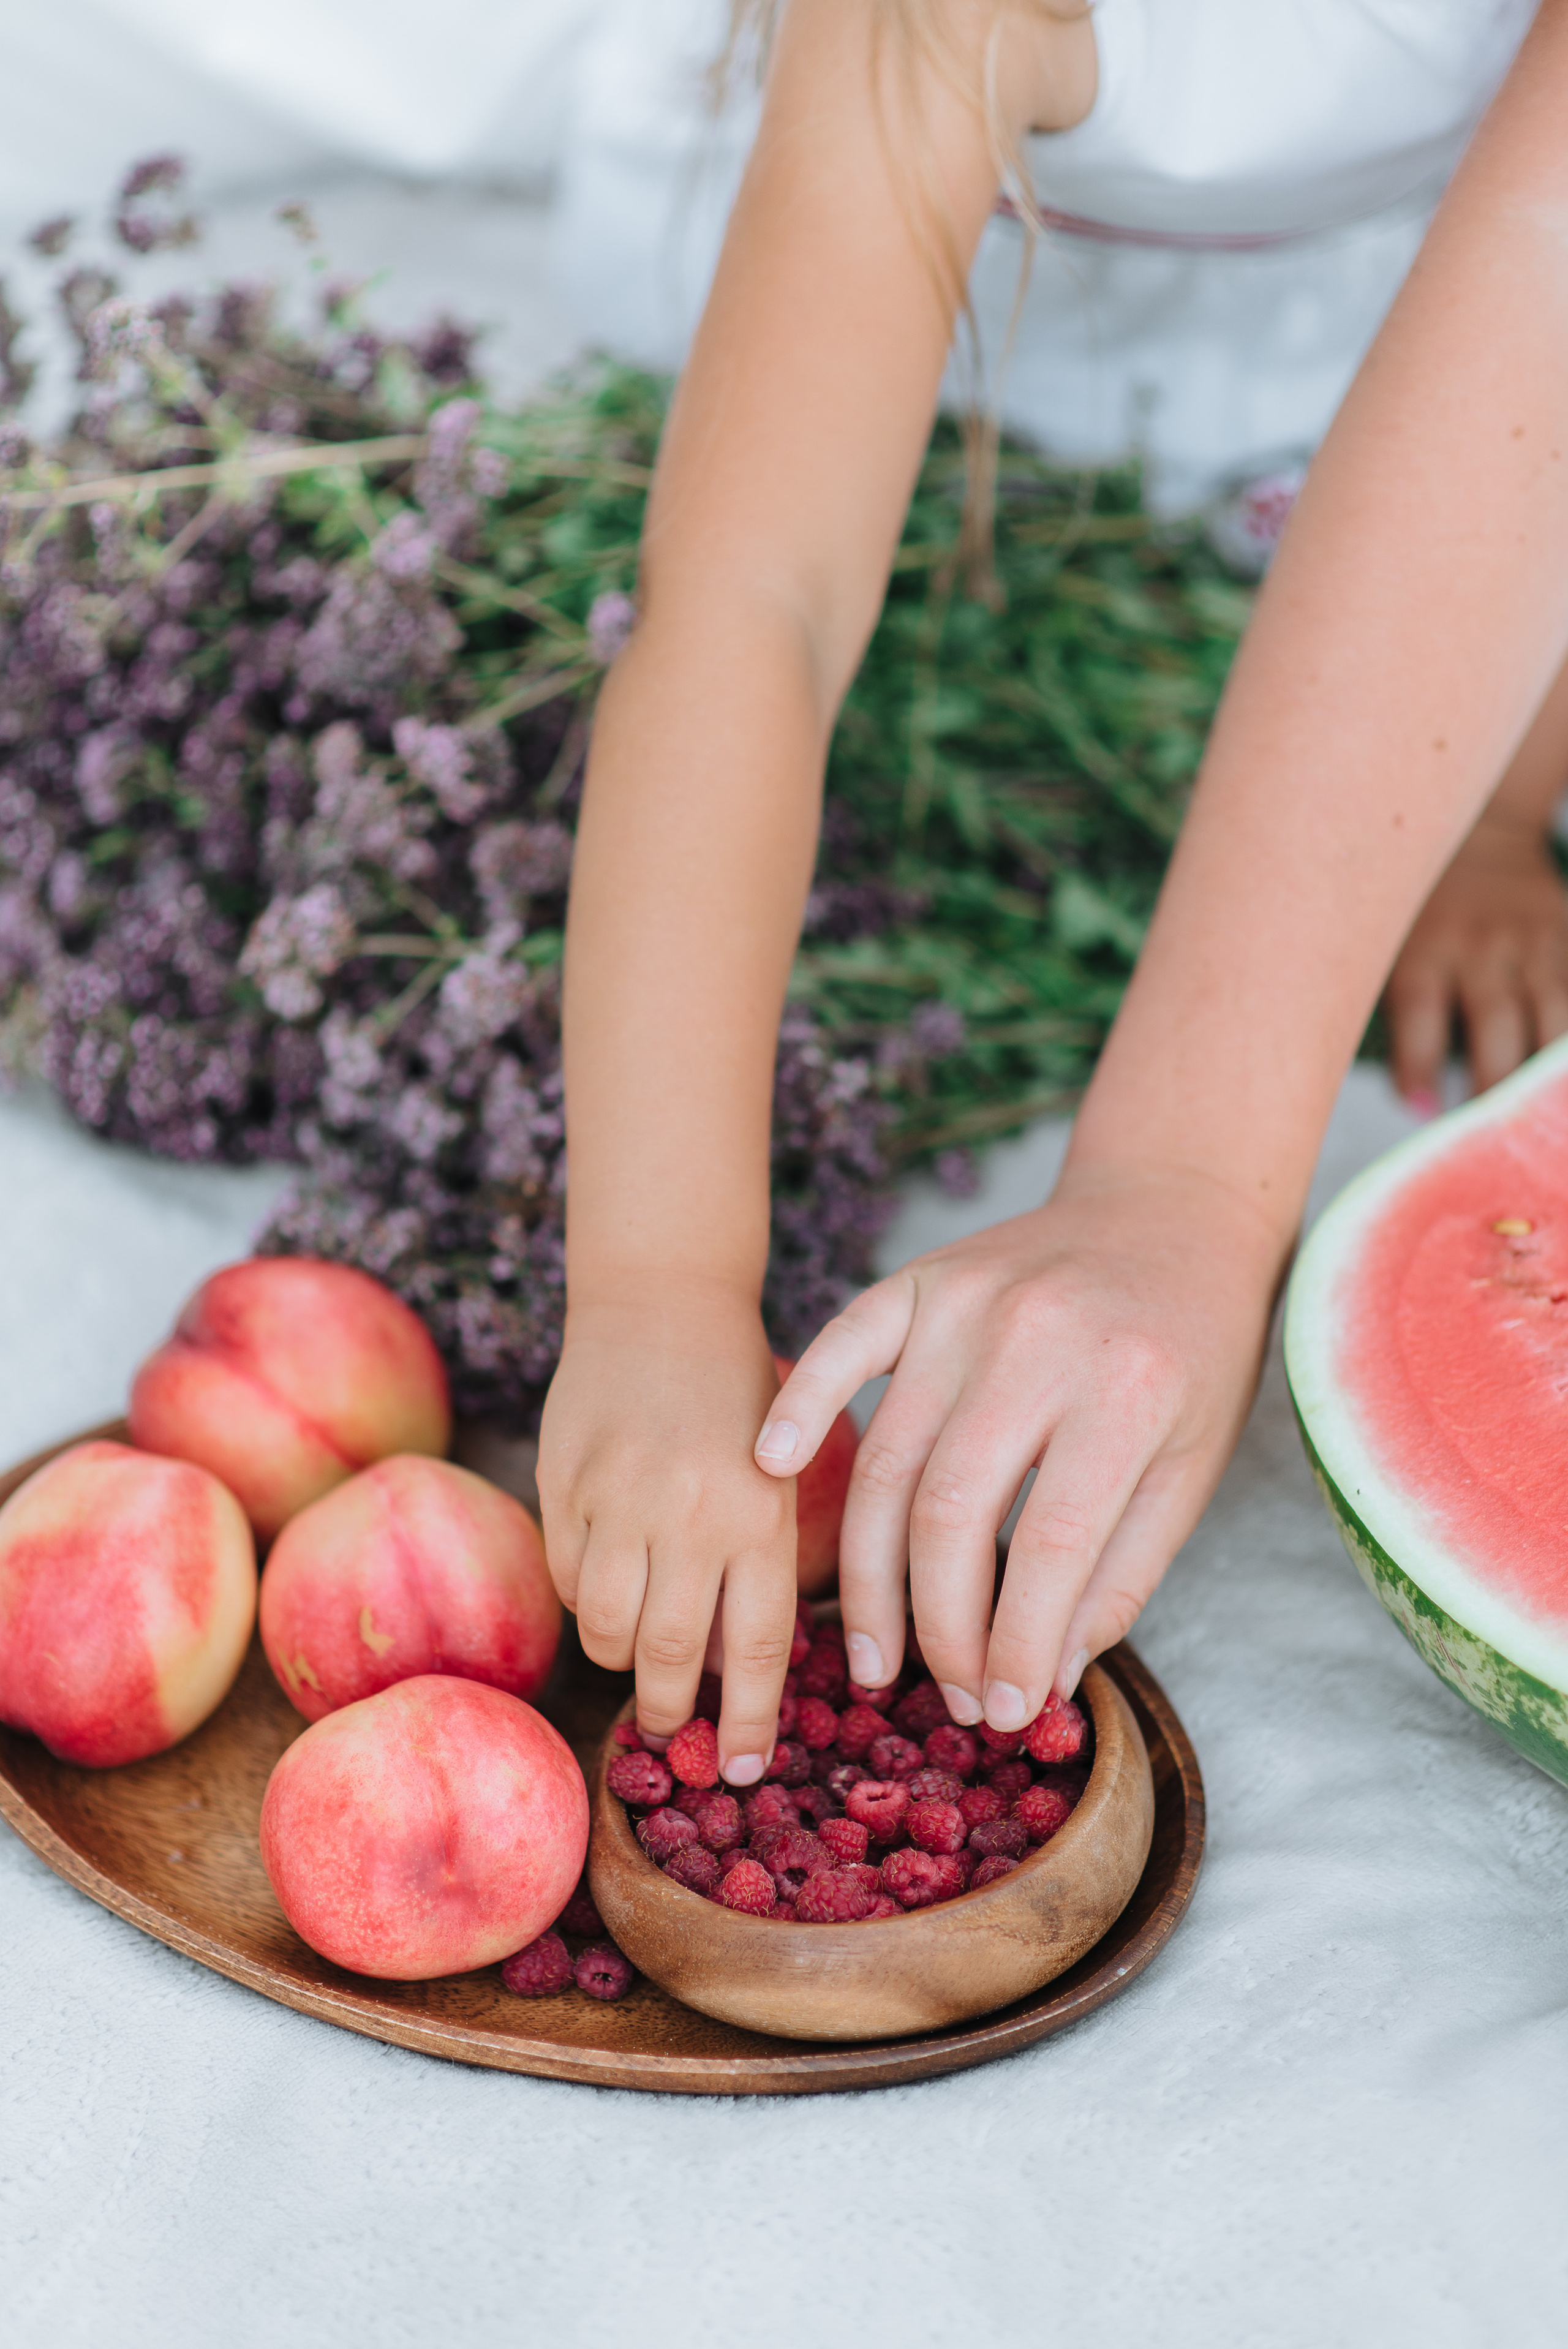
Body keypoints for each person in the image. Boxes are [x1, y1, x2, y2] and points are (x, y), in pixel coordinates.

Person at [538, 0, 1568, 1781]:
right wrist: (657, 1283)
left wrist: (1488, 821)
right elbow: (751, 607)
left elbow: (1529, 388)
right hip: (948, 325)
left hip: (1406, 351)